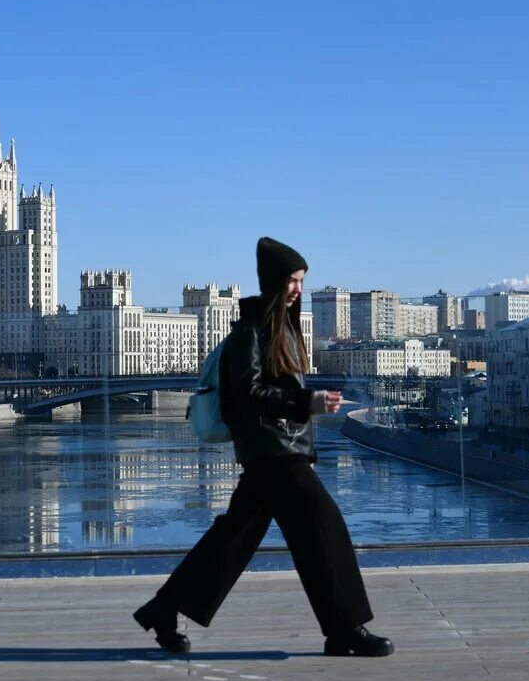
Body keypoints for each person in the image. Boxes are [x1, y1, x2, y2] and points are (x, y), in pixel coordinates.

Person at [133, 237, 393, 658]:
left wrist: (304, 405)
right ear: (273, 281)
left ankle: (164, 609)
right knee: (324, 529)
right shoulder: (249, 332)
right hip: (273, 453)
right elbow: (248, 394)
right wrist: (304, 403)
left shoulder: (282, 328)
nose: (297, 288)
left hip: (278, 451)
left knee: (233, 539)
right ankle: (344, 628)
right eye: (292, 280)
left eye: (302, 280)